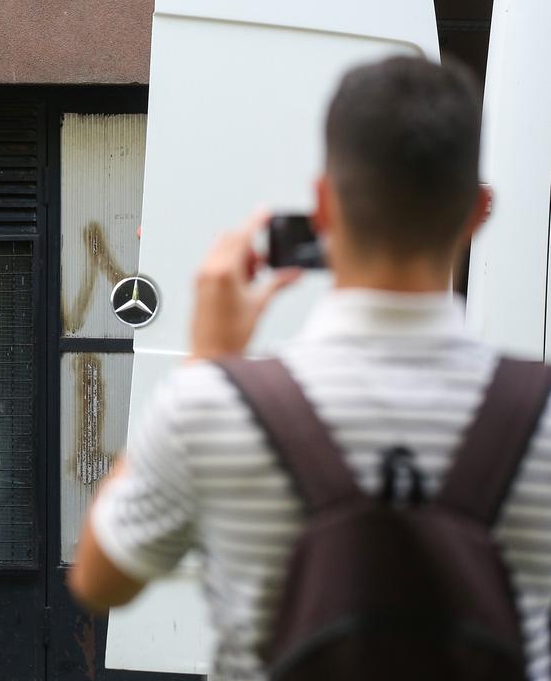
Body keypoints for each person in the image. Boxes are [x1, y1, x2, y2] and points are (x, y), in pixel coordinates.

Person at [69, 56, 551, 679]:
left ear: (323, 205)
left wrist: (203, 363)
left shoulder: (211, 408)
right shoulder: (539, 413)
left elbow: (100, 580)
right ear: (479, 211)